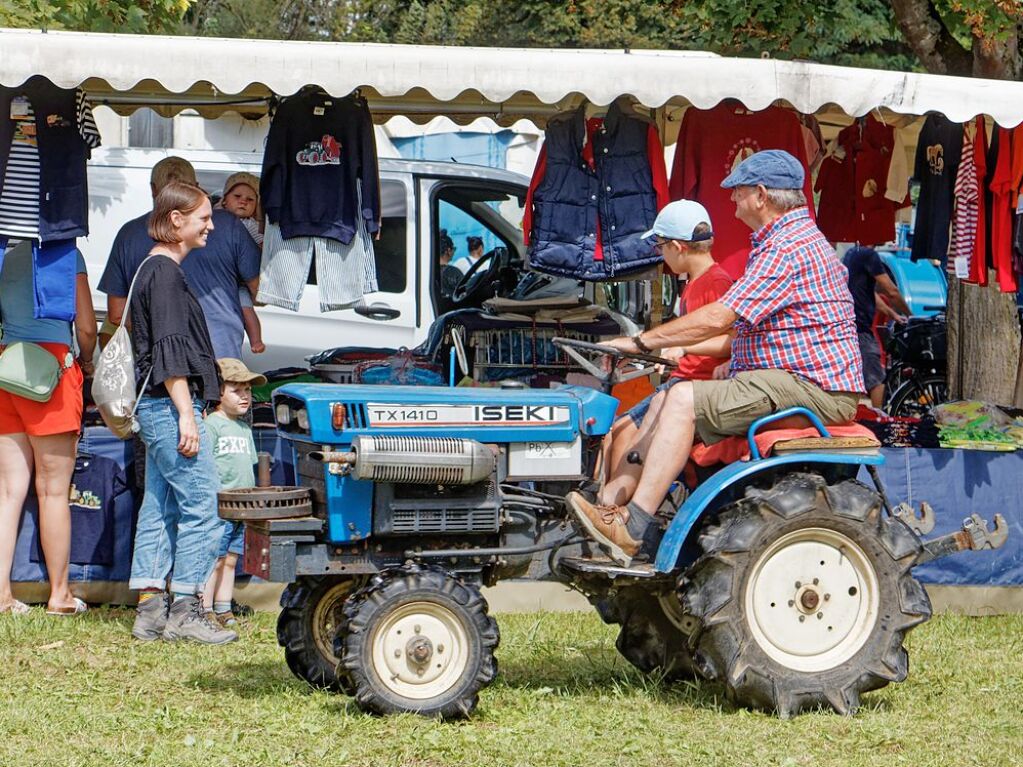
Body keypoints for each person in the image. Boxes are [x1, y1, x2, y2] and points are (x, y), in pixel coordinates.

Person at [568, 150, 864, 565]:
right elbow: (751, 324)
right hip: (797, 379)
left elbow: (720, 317)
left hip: (812, 388)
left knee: (683, 399)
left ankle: (633, 526)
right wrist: (736, 356)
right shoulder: (786, 241)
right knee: (669, 398)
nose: (732, 202)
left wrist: (641, 343)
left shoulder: (788, 246)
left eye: (738, 193)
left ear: (761, 195)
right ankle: (618, 508)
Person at [128, 181, 237, 645]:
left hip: (152, 408)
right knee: (204, 505)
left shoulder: (148, 270)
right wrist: (187, 416)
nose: (211, 224)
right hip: (170, 406)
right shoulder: (167, 274)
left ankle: (151, 611)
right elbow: (170, 350)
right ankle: (188, 609)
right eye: (203, 217)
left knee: (160, 506)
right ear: (176, 221)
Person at [599, 200, 734, 508]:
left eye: (660, 246)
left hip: (690, 387)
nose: (661, 254)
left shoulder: (717, 283)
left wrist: (686, 347)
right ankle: (605, 502)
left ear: (677, 246)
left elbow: (731, 341)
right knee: (613, 430)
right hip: (680, 379)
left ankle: (613, 508)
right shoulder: (693, 284)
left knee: (624, 435)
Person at [0, 241, 96, 615]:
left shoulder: (5, 252)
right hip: (52, 370)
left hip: (9, 366)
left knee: (8, 491)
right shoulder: (67, 253)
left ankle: (3, 595)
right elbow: (86, 327)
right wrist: (87, 362)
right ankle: (59, 594)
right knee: (53, 491)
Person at [98, 157, 261, 361]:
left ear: (153, 189)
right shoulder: (229, 225)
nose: (208, 226)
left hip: (158, 362)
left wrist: (159, 333)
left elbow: (117, 313)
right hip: (221, 356)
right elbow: (259, 290)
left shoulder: (129, 234)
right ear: (197, 188)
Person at [201, 358, 265, 627]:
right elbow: (205, 465)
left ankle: (224, 608)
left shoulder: (244, 428)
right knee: (214, 560)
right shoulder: (212, 424)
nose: (245, 396)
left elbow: (249, 465)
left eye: (247, 390)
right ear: (218, 393)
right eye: (236, 390)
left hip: (242, 506)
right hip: (220, 506)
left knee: (231, 559)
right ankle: (203, 609)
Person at [842, 245, 911, 408]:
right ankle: (879, 420)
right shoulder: (869, 255)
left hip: (851, 325)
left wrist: (892, 314)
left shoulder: (852, 253)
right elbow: (891, 291)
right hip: (861, 328)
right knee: (876, 378)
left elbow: (868, 293)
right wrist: (910, 314)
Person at [217, 172, 265, 355]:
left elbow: (261, 247)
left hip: (240, 282)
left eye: (250, 199)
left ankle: (256, 340)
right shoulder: (213, 219)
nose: (243, 202)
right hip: (220, 279)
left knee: (247, 310)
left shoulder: (251, 226)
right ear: (224, 200)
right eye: (237, 197)